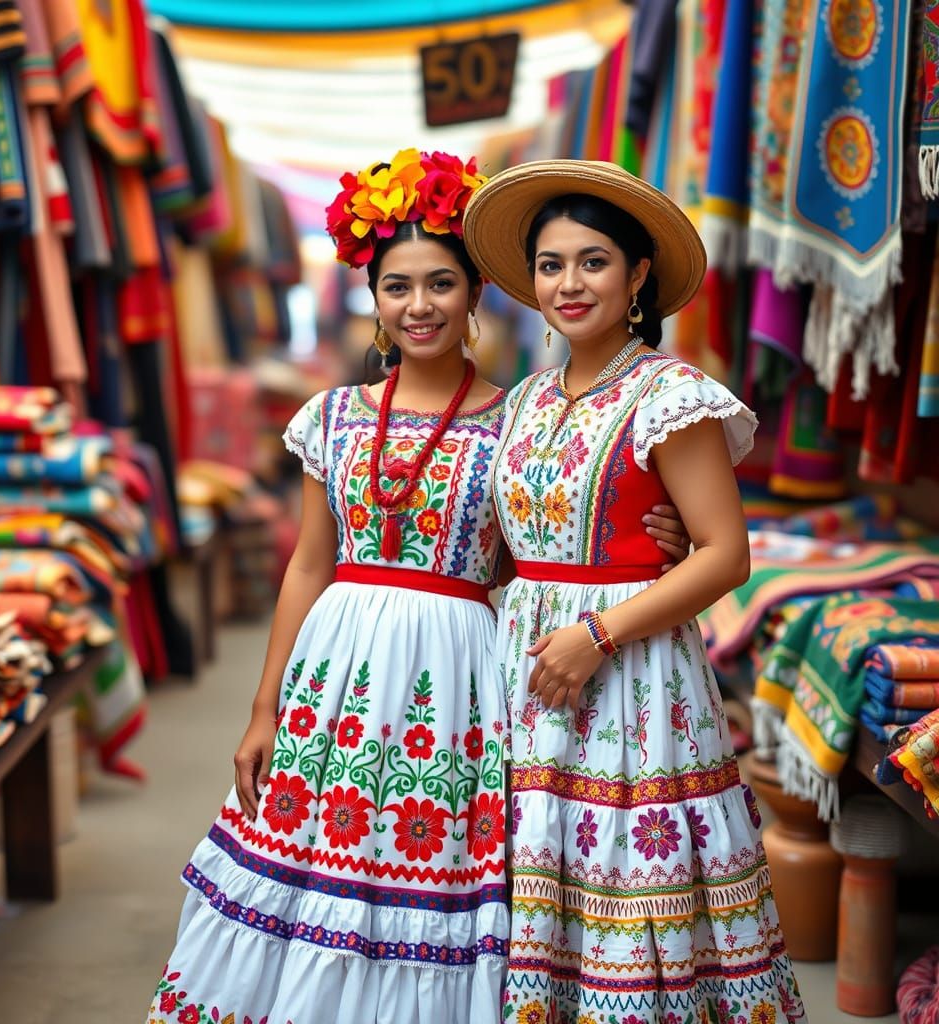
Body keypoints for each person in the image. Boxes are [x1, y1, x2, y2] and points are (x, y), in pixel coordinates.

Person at [145, 150, 690, 1024]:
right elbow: (308, 564)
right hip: (336, 677)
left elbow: (560, 535)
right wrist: (263, 705)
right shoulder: (330, 418)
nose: (420, 305)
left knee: (428, 875)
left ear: (477, 294)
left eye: (441, 283)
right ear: (372, 298)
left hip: (462, 680)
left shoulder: (523, 414)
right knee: (319, 861)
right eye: (397, 286)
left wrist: (658, 538)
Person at [463, 160, 807, 1024]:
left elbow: (727, 555)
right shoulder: (525, 401)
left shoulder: (672, 396)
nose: (568, 284)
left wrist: (598, 634)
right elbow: (516, 548)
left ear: (639, 275)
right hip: (527, 677)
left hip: (635, 683)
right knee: (538, 883)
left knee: (628, 878)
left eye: (593, 262)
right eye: (550, 265)